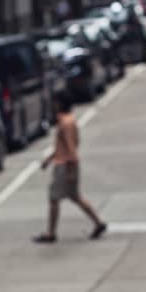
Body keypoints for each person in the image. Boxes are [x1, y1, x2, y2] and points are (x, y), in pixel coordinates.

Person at [33, 98, 106, 243]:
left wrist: (71, 168)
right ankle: (98, 223)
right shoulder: (70, 120)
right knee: (75, 197)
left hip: (65, 165)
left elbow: (70, 147)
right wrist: (49, 159)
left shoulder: (65, 124)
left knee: (54, 199)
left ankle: (51, 233)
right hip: (67, 163)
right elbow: (67, 145)